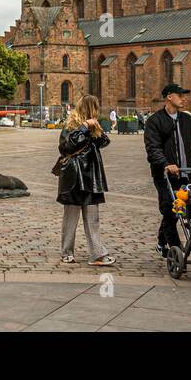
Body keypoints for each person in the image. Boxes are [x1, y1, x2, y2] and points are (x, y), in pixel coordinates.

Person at [144, 83, 191, 258]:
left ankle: (162, 242)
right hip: (164, 175)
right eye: (180, 95)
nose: (184, 98)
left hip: (188, 173)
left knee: (186, 209)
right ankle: (176, 249)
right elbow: (152, 148)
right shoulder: (155, 121)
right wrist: (165, 164)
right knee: (170, 210)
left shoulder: (188, 120)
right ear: (169, 97)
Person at [57, 93, 114, 266]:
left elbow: (104, 142)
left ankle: (97, 254)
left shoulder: (93, 126)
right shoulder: (71, 125)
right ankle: (67, 252)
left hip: (91, 178)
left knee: (93, 217)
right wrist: (83, 127)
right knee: (71, 217)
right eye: (95, 108)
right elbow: (66, 146)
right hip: (74, 177)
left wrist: (96, 129)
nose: (97, 111)